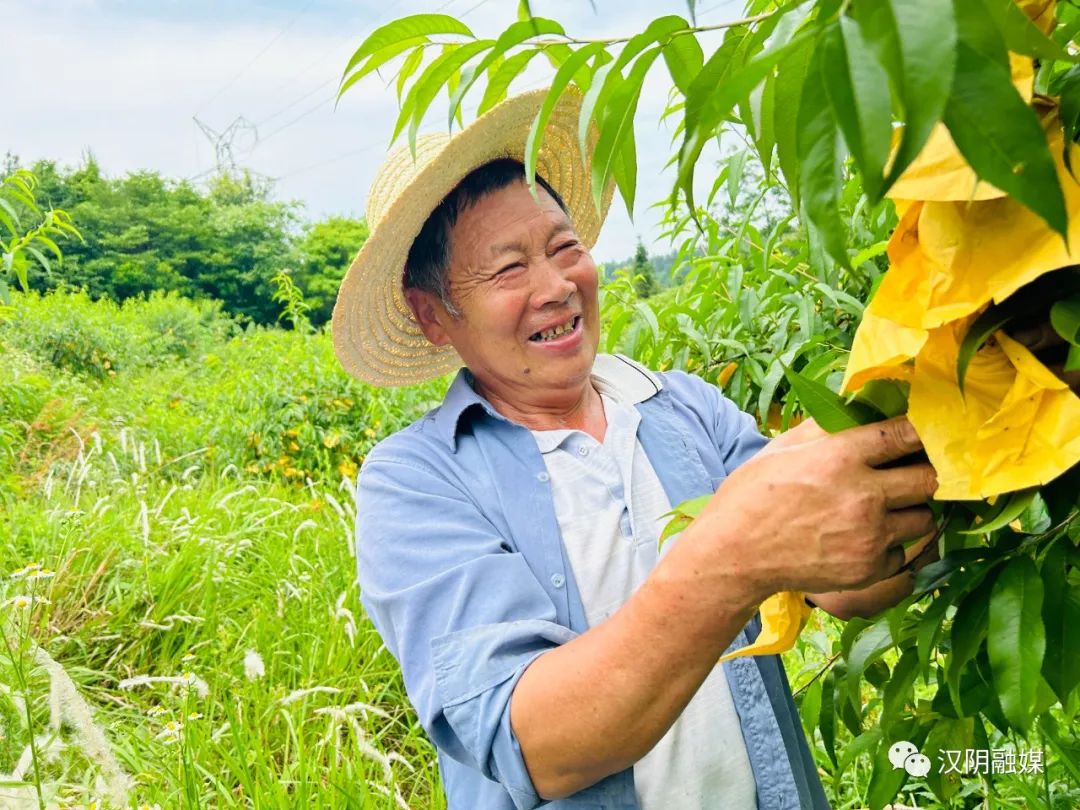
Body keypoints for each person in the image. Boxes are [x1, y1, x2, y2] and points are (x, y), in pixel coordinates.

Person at [330, 88, 941, 810]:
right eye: (507, 270)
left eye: (564, 248)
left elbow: (846, 582)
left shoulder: (682, 406)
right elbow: (539, 746)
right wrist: (734, 552)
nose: (556, 287)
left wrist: (929, 422)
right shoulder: (418, 481)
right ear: (435, 316)